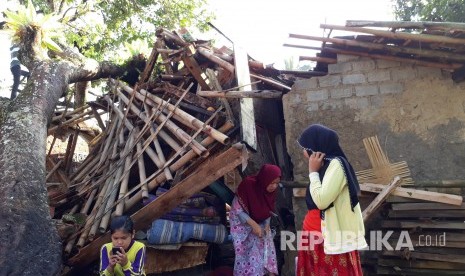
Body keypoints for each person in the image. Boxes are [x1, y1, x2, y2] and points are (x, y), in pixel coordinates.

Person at [296, 124, 367, 276]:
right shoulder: (326, 167)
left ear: (315, 148)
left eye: (305, 147)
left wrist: (312, 172)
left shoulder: (336, 165)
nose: (303, 152)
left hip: (328, 237)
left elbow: (322, 201)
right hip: (313, 234)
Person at [229, 164, 281, 276]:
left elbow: (268, 210)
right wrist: (253, 224)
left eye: (277, 183)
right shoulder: (248, 185)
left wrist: (266, 225)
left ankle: (267, 272)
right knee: (247, 251)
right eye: (271, 182)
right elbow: (237, 209)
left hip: (259, 221)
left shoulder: (271, 192)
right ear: (264, 179)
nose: (274, 186)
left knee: (266, 240)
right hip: (240, 221)